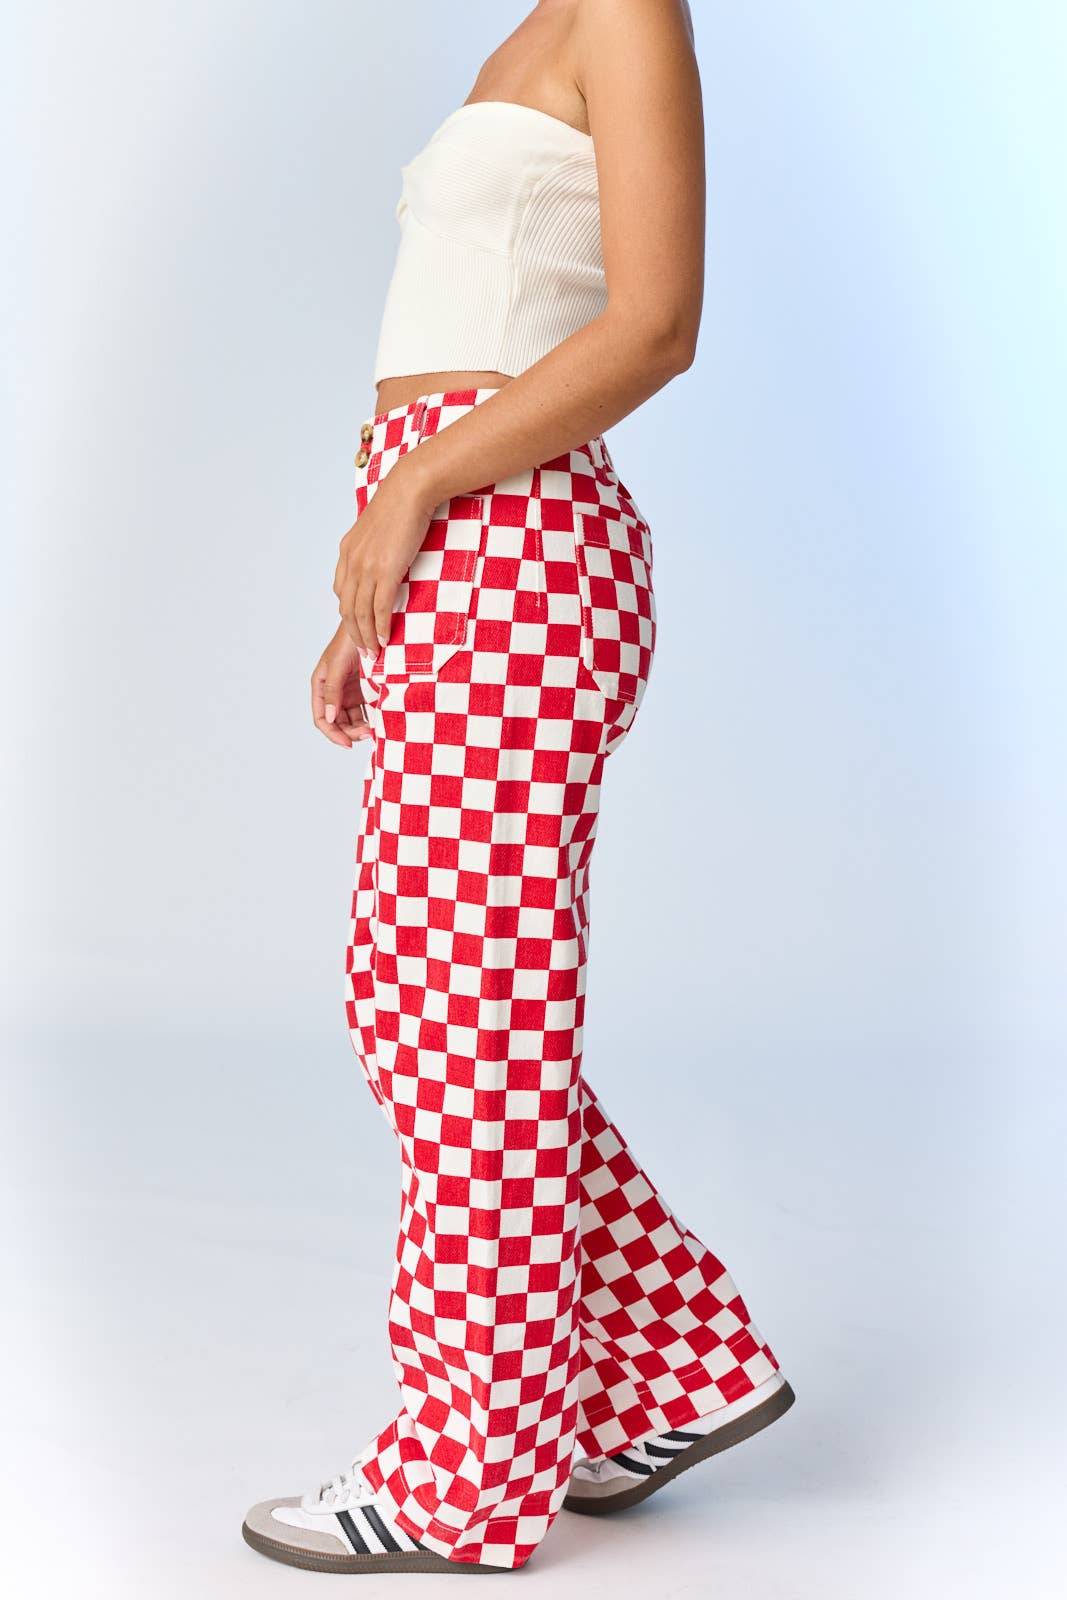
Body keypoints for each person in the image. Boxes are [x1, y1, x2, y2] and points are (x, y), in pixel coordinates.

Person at [242, 0, 793, 1576]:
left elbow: (657, 324)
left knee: (468, 1022)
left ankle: (462, 1475)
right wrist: (380, 582)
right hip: (458, 555)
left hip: (514, 542)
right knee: (415, 1005)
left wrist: (417, 484)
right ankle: (678, 1368)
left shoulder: (628, 9)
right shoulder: (537, 26)